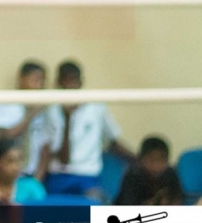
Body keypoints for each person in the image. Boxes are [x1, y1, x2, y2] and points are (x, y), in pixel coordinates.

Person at [41, 60, 134, 197]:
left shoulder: (96, 107)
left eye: (72, 81)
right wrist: (67, 119)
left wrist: (138, 159)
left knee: (96, 200)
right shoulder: (51, 110)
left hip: (87, 176)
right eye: (65, 82)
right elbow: (63, 159)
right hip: (58, 176)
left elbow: (113, 141)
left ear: (80, 82)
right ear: (58, 83)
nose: (69, 86)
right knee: (52, 206)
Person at [114, 136, 183, 206]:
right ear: (141, 160)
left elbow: (177, 201)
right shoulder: (132, 177)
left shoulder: (171, 174)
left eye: (161, 160)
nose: (156, 166)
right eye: (151, 160)